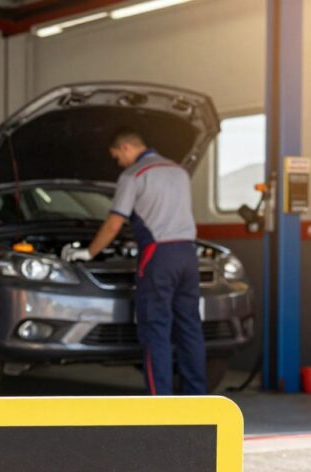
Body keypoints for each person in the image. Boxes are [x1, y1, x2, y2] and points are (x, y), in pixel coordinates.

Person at [61, 127, 206, 395]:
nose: (118, 162)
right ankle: (196, 397)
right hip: (188, 254)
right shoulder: (179, 171)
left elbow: (114, 223)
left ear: (126, 148)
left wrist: (89, 252)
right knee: (189, 326)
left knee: (156, 329)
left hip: (158, 256)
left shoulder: (133, 175)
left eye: (117, 156)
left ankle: (159, 401)